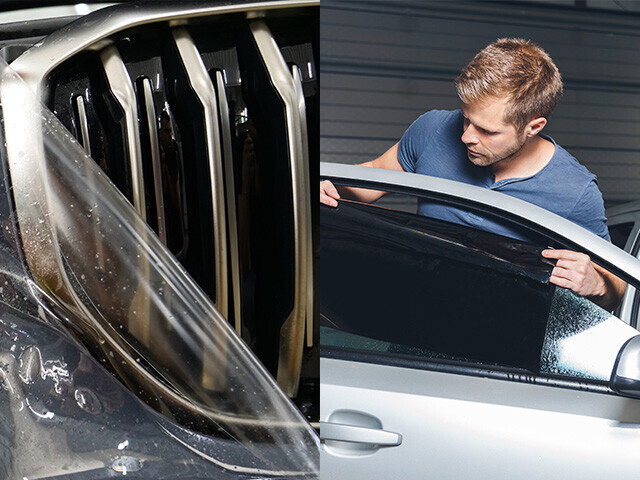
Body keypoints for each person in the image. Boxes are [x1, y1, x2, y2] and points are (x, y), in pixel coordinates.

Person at [320, 37, 626, 311]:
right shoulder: (433, 129)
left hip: (502, 337)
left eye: (487, 130)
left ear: (533, 127)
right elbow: (374, 175)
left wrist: (597, 285)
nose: (467, 136)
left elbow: (616, 282)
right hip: (415, 313)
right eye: (466, 118)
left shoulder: (576, 191)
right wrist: (327, 186)